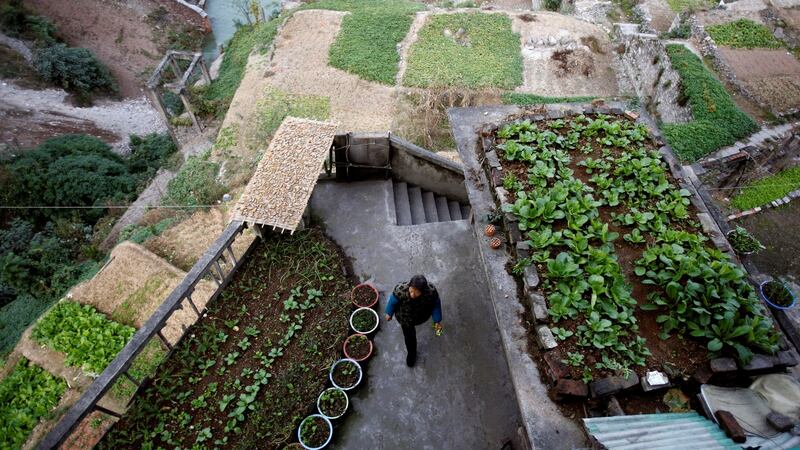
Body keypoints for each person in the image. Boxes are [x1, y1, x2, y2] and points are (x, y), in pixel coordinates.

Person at [384, 275, 443, 367]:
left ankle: (434, 325)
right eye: (411, 290)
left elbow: (436, 305)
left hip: (421, 315)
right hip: (405, 318)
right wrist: (389, 313)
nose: (412, 295)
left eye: (417, 292)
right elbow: (392, 302)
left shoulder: (431, 292)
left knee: (436, 325)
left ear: (423, 291)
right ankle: (412, 354)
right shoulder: (400, 290)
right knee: (409, 338)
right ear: (409, 286)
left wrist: (437, 320)